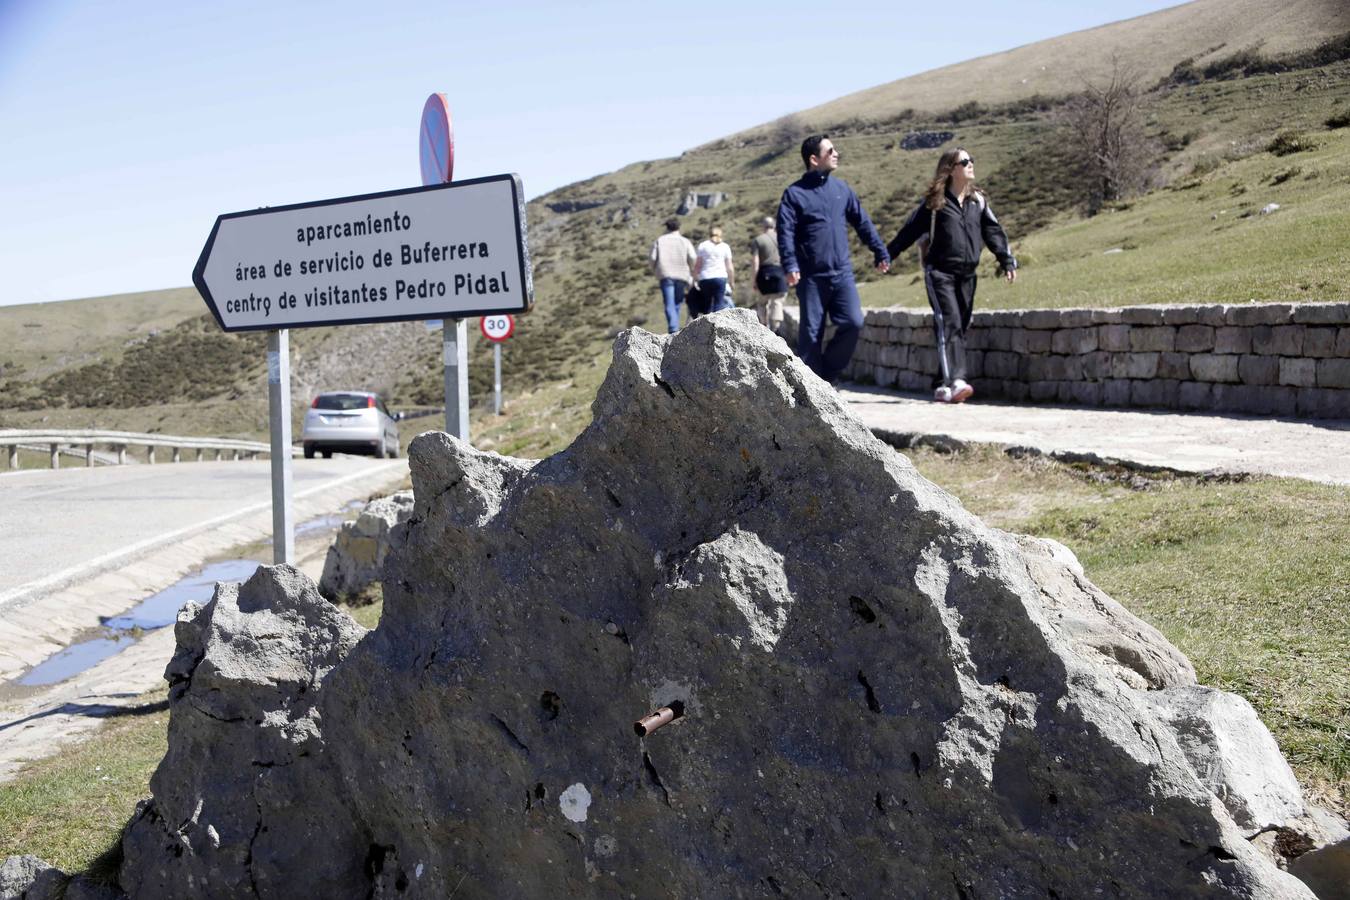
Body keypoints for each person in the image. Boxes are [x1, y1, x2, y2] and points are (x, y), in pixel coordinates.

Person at [886, 147, 1017, 403]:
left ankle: (941, 382)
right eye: (965, 161)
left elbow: (994, 232)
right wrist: (887, 255)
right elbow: (908, 232)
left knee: (960, 325)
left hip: (967, 274)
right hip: (940, 273)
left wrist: (1007, 261)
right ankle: (957, 380)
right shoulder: (934, 204)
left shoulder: (977, 201)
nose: (971, 164)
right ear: (950, 169)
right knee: (950, 322)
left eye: (971, 159)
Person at [777, 135, 890, 382]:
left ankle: (826, 375)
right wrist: (790, 264)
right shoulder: (794, 194)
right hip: (811, 276)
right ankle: (808, 392)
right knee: (811, 334)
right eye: (830, 151)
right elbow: (784, 232)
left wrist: (880, 250)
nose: (836, 153)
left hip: (842, 273)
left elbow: (862, 222)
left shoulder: (842, 190)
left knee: (854, 322)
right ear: (814, 159)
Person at [649, 217, 697, 333]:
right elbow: (693, 257)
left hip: (665, 274)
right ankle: (675, 327)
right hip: (682, 275)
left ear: (667, 227)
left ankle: (673, 327)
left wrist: (655, 269)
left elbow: (652, 258)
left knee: (669, 302)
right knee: (677, 302)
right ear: (678, 227)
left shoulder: (660, 240)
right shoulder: (685, 241)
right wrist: (691, 269)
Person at [749, 216, 787, 333]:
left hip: (764, 274)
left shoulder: (758, 240)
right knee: (777, 301)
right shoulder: (782, 239)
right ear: (774, 226)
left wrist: (754, 280)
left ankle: (763, 327)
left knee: (762, 303)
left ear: (763, 226)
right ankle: (776, 328)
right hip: (780, 273)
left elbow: (755, 262)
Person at [693, 225, 735, 316]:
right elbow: (729, 267)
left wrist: (695, 278)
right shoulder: (725, 247)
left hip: (705, 278)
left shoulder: (703, 246)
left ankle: (707, 323)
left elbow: (697, 265)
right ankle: (717, 324)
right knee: (719, 302)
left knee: (707, 304)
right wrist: (732, 281)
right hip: (720, 277)